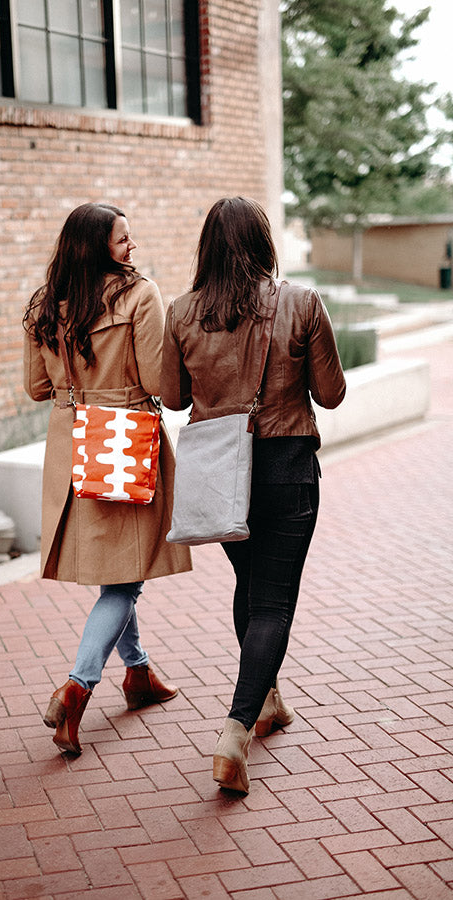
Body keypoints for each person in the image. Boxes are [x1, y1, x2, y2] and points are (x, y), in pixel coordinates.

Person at [160, 197, 346, 792]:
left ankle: (268, 702)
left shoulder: (183, 312)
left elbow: (172, 397)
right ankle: (235, 733)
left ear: (206, 248)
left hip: (221, 475)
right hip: (287, 467)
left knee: (252, 585)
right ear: (264, 243)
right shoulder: (301, 303)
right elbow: (332, 393)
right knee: (273, 603)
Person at [23, 202, 191, 755]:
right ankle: (77, 686)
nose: (132, 248)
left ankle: (138, 674)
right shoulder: (140, 295)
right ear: (98, 246)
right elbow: (155, 378)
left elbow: (35, 388)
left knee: (120, 567)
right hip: (123, 440)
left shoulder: (45, 306)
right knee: (125, 580)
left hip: (72, 443)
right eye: (123, 240)